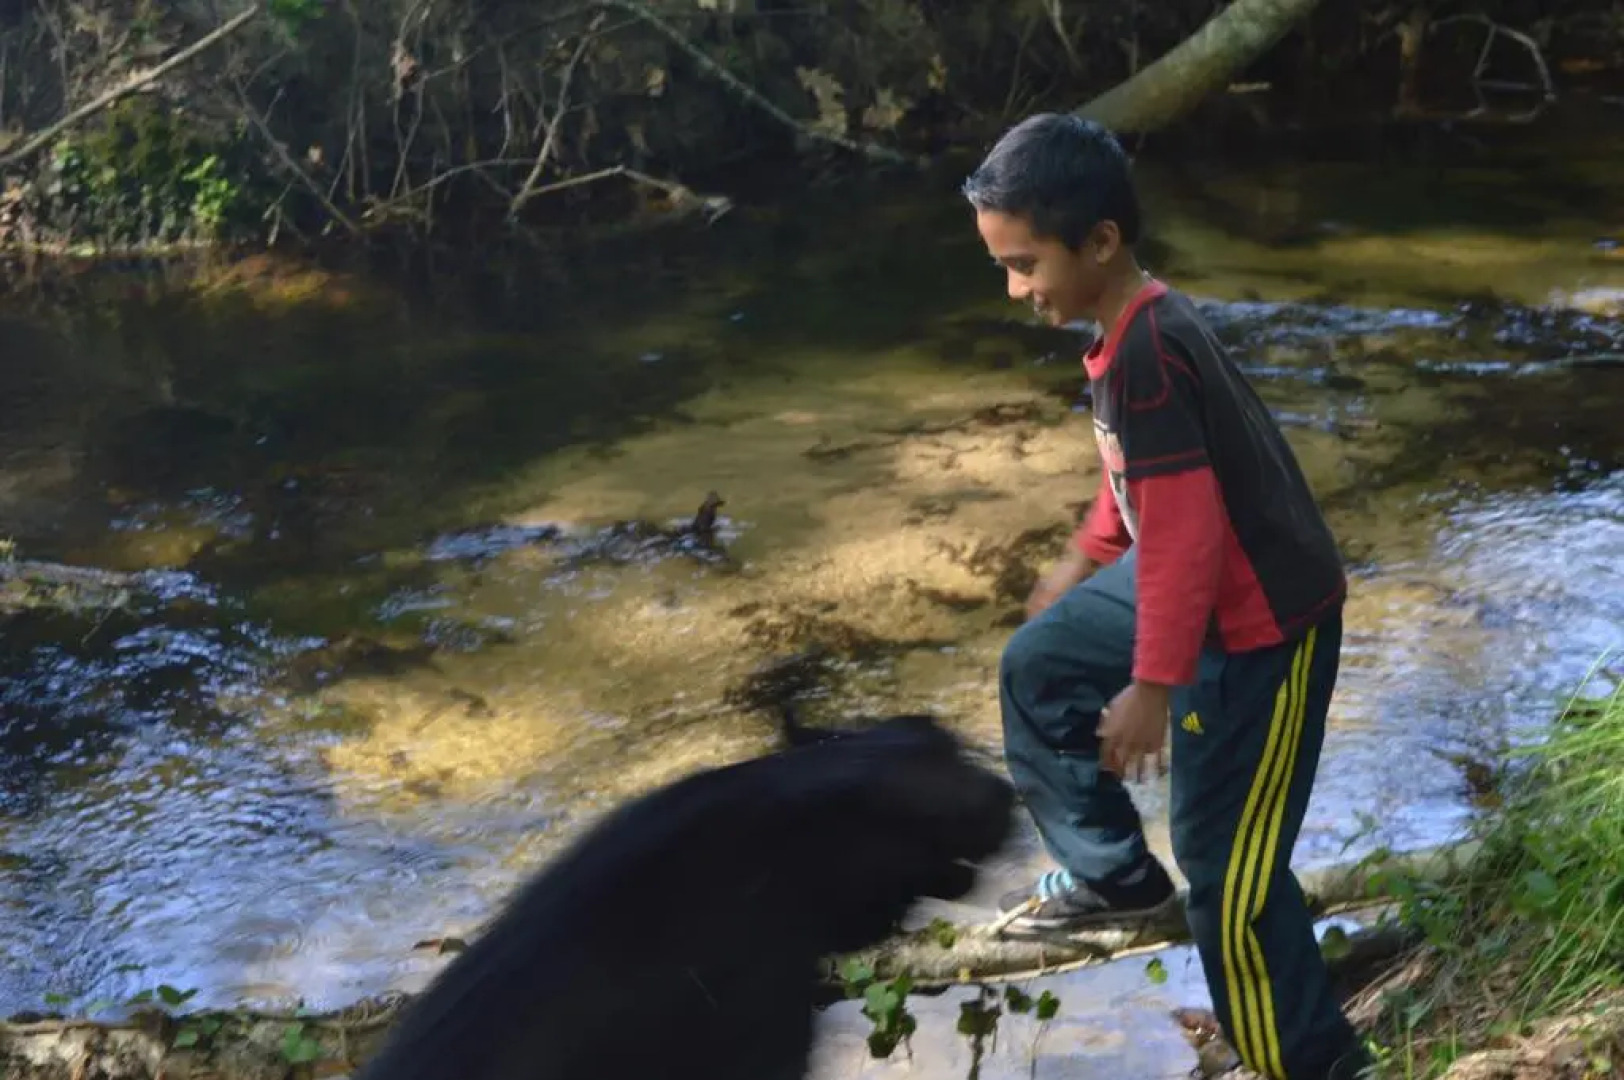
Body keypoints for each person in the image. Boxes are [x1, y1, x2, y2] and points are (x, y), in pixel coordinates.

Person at [961, 113, 1371, 1080]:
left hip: (1263, 623)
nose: (1018, 292)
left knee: (1227, 876)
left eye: (1026, 265)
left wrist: (1152, 686)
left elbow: (1188, 530)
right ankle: (1114, 876)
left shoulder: (1150, 345)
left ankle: (1310, 1065)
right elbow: (1146, 483)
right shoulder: (1124, 326)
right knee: (1040, 666)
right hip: (1195, 582)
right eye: (1003, 269)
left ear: (1100, 241)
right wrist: (1084, 553)